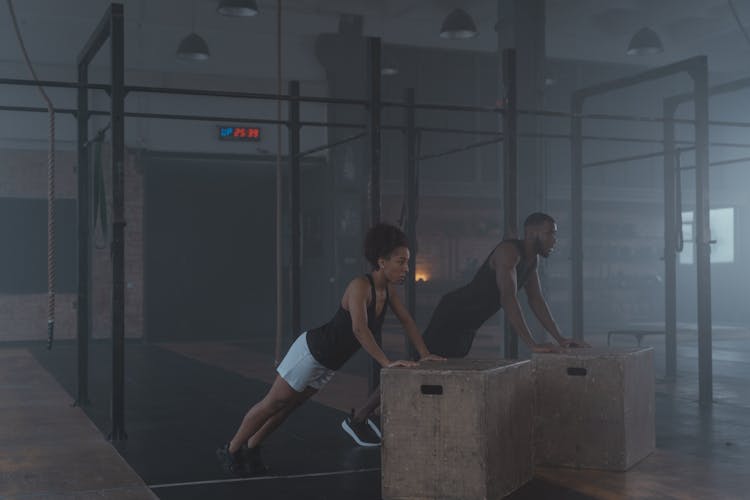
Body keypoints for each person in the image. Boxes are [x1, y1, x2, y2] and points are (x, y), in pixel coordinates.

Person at [342, 212, 588, 446]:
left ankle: (405, 420)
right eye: (550, 233)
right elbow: (508, 298)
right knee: (416, 366)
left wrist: (560, 338)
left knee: (438, 373)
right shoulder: (508, 253)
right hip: (453, 315)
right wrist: (532, 343)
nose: (554, 240)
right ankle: (358, 417)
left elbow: (536, 300)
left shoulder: (530, 261)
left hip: (467, 325)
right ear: (532, 232)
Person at [217, 223, 443, 476]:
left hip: (327, 363)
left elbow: (407, 321)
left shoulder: (387, 291)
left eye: (407, 262)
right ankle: (232, 448)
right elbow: (360, 329)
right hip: (310, 352)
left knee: (289, 407)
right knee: (273, 403)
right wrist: (387, 363)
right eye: (401, 262)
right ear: (381, 262)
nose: (406, 269)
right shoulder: (360, 286)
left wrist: (424, 354)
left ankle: (252, 447)